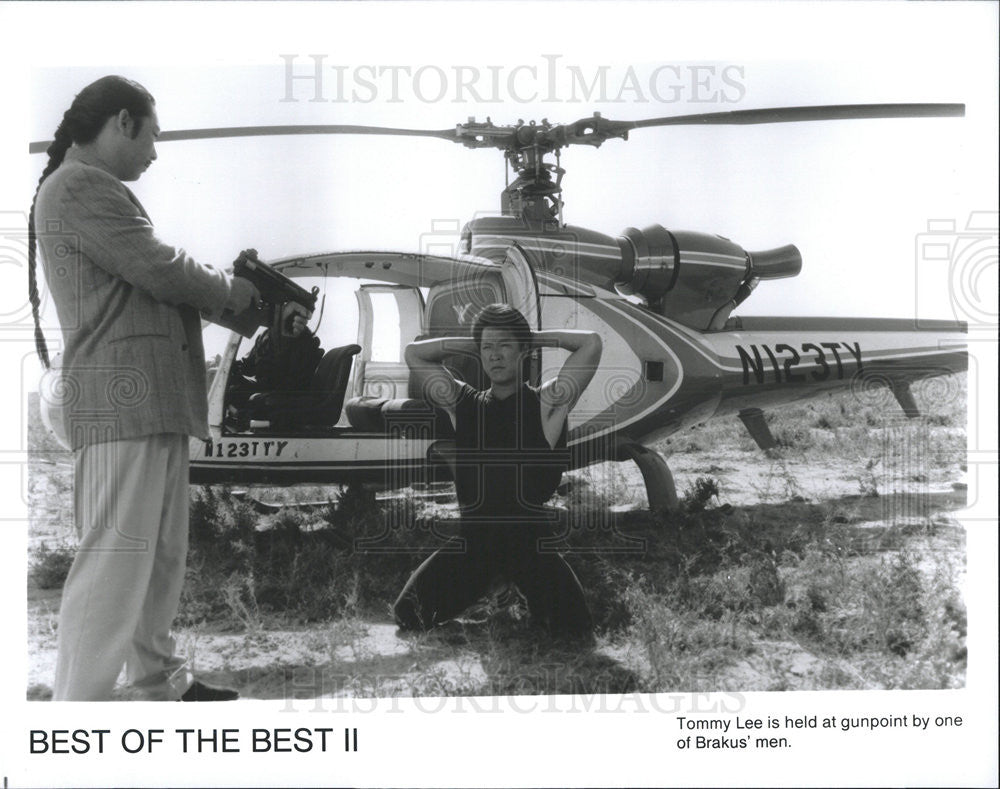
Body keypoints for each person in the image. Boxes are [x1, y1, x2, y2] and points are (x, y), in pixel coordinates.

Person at [28, 75, 308, 700]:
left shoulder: (89, 188)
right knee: (114, 563)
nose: (155, 152)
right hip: (120, 399)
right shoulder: (78, 185)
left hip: (146, 399)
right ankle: (80, 710)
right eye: (152, 135)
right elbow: (156, 265)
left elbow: (152, 285)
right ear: (122, 122)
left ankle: (157, 683)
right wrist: (234, 293)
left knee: (154, 557)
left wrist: (248, 305)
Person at [393, 303, 602, 640]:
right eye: (488, 348)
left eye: (505, 346)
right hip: (474, 547)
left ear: (523, 351)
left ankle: (514, 591)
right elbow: (414, 354)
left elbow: (591, 343)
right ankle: (492, 589)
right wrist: (475, 343)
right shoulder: (464, 403)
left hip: (530, 547)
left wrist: (531, 337)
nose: (495, 356)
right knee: (408, 615)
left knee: (572, 630)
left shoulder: (548, 403)